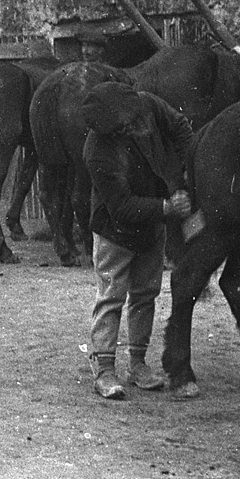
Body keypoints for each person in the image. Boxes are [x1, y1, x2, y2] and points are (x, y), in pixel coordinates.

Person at [82, 81, 195, 399]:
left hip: (153, 225)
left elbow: (181, 128)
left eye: (131, 122)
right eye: (122, 129)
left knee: (146, 294)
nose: (130, 129)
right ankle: (104, 370)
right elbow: (120, 207)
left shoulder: (149, 104)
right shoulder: (98, 153)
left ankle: (138, 364)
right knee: (111, 297)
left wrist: (187, 174)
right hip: (115, 232)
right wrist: (167, 207)